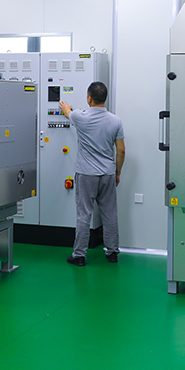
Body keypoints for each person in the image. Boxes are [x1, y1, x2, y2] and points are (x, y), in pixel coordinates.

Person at [59, 81, 125, 266]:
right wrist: (117, 172)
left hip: (86, 174)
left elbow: (68, 113)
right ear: (105, 98)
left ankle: (79, 255)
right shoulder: (116, 121)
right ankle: (112, 252)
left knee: (84, 215)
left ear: (89, 98)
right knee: (110, 214)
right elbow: (121, 151)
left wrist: (66, 107)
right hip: (107, 173)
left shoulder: (80, 117)